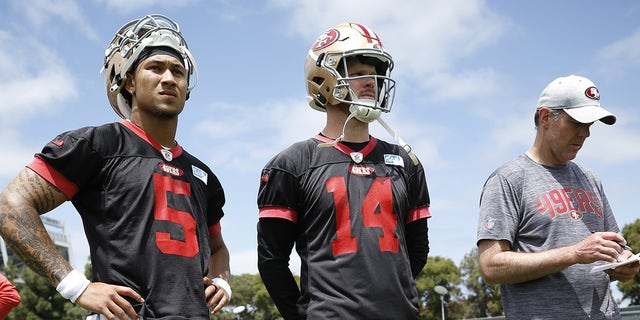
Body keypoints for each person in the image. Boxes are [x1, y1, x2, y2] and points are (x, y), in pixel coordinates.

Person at [0, 14, 231, 319]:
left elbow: (217, 247)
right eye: (155, 67)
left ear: (187, 88)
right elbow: (11, 206)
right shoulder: (99, 144)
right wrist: (75, 285)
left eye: (178, 71)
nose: (168, 78)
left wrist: (221, 281)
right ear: (129, 81)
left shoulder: (202, 175)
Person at [257, 22, 431, 319]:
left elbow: (417, 251)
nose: (371, 81)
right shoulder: (292, 164)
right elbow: (272, 260)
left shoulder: (406, 162)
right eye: (358, 70)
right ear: (322, 77)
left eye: (375, 71)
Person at [477, 74, 640, 319]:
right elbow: (491, 266)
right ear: (545, 118)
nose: (585, 134)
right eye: (576, 123)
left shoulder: (591, 178)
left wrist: (623, 263)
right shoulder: (508, 180)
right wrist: (573, 254)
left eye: (590, 125)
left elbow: (615, 248)